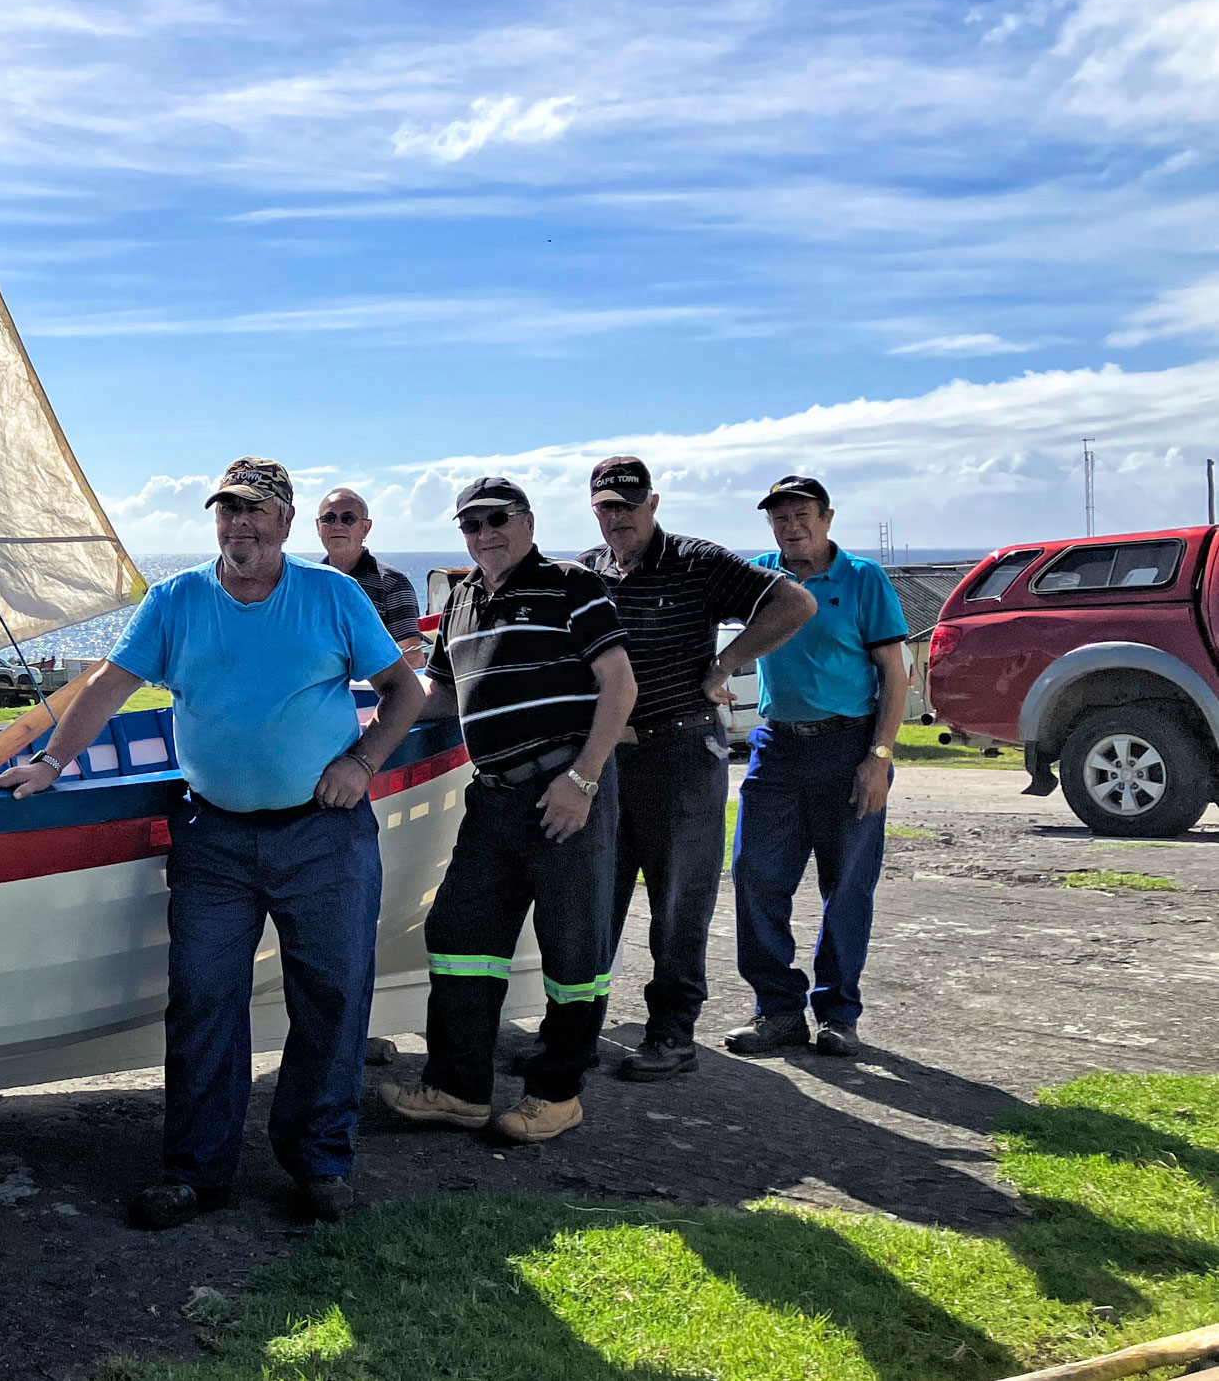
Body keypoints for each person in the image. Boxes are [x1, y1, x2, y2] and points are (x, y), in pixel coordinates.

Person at [0, 457, 425, 1230]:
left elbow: (406, 690)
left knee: (331, 998)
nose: (240, 526)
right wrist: (52, 761)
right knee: (201, 1000)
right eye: (228, 511)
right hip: (214, 837)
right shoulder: (176, 600)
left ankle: (319, 1162)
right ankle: (196, 1170)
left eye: (256, 511)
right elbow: (107, 687)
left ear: (287, 523)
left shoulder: (332, 595)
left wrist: (361, 763)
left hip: (324, 836)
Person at [376, 477, 636, 1143]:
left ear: (525, 520)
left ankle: (556, 1094)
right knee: (461, 935)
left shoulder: (571, 583)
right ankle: (459, 1087)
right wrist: (367, 709)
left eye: (496, 519)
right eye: (471, 524)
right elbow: (442, 695)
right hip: (492, 798)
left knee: (574, 948)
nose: (484, 533)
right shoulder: (461, 599)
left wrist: (583, 777)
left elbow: (619, 684)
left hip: (561, 791)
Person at [577, 456, 815, 1080]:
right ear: (594, 509)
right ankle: (578, 1031)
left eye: (628, 505)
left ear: (652, 504)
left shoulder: (696, 560)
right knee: (595, 897)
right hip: (607, 756)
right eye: (607, 506)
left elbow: (793, 602)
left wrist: (726, 662)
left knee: (678, 901)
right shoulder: (586, 571)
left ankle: (672, 1034)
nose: (618, 517)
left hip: (680, 753)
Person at [723, 475, 908, 1060]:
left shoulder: (862, 579)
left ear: (827, 518)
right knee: (754, 876)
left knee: (847, 885)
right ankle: (777, 1011)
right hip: (776, 747)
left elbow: (895, 674)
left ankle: (837, 1014)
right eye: (780, 517)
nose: (791, 526)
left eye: (802, 514)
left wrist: (878, 758)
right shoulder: (760, 576)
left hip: (848, 745)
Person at [314, 486, 425, 665]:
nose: (337, 525)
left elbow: (411, 657)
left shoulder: (392, 584)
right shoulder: (307, 584)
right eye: (329, 518)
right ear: (318, 526)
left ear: (365, 528)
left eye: (348, 518)